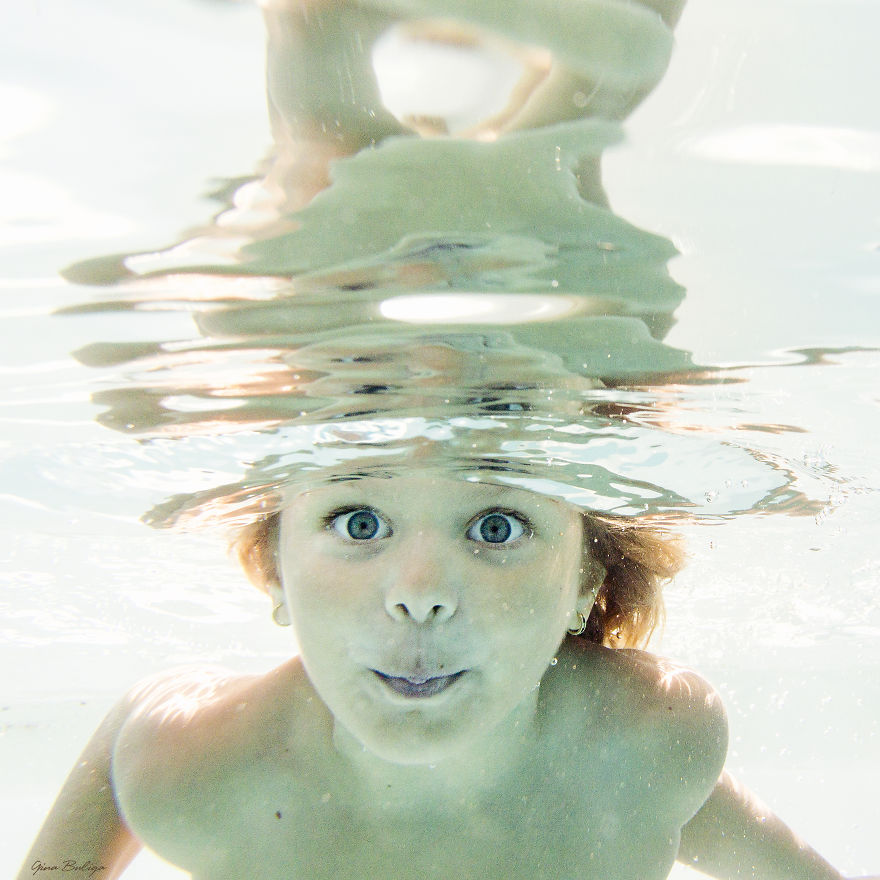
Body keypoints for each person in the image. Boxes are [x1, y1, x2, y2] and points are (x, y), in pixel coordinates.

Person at [18, 470, 866, 880]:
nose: (419, 595)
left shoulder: (645, 745)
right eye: (359, 521)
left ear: (584, 583)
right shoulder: (195, 772)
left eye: (496, 526)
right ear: (274, 573)